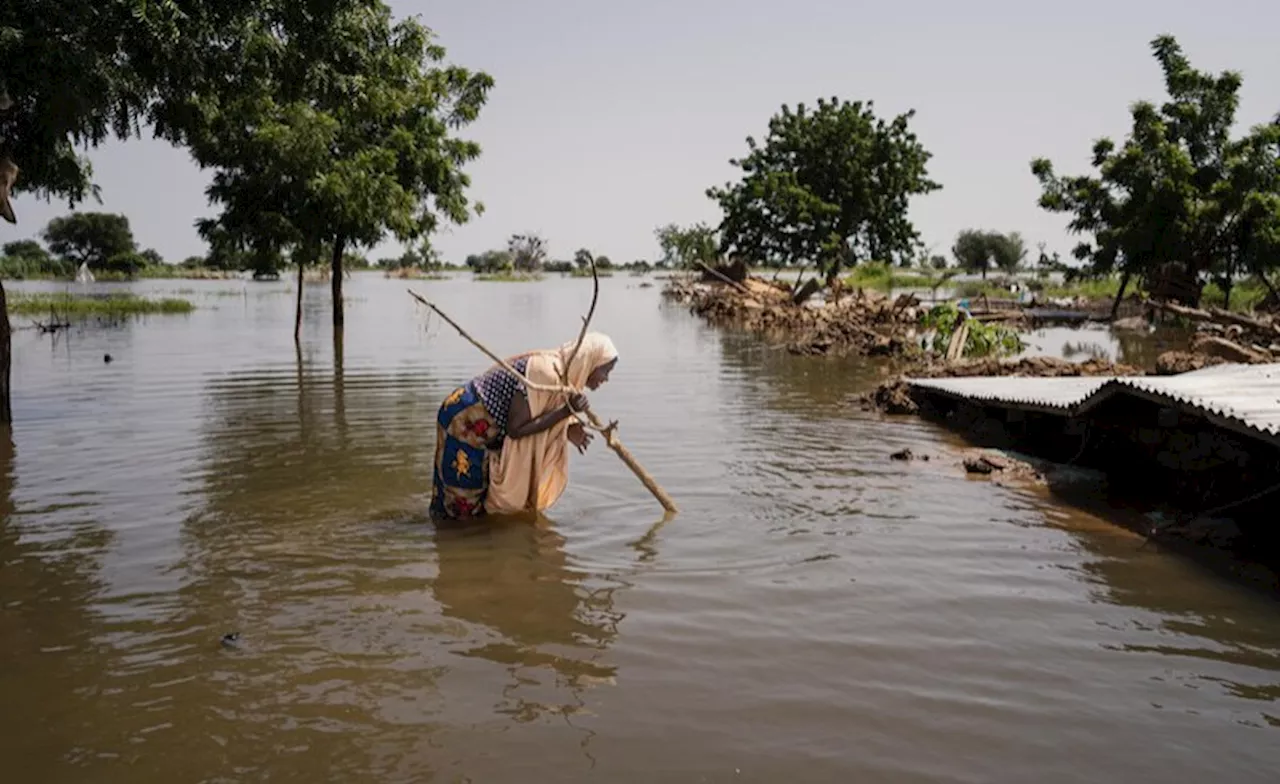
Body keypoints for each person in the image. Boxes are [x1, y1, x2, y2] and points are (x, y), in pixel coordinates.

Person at [430, 332, 618, 520]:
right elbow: (516, 429)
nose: (606, 379)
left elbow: (541, 410)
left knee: (466, 502)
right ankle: (449, 540)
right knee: (461, 508)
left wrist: (567, 427)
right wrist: (565, 413)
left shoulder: (561, 379)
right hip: (464, 421)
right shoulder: (547, 372)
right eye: (605, 371)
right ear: (590, 362)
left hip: (477, 426)